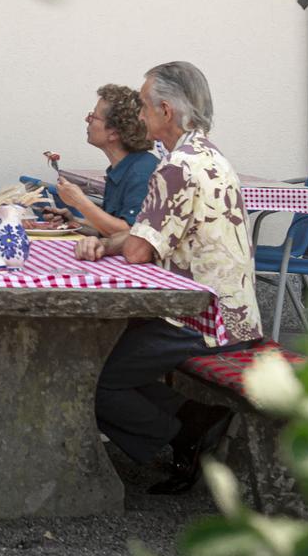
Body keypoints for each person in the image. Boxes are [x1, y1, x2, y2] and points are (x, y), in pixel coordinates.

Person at [74, 61, 262, 494]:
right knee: (118, 358)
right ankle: (195, 418)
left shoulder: (175, 167)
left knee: (93, 376)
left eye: (142, 104)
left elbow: (138, 250)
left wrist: (108, 244)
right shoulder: (211, 156)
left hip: (201, 318)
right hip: (234, 311)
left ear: (164, 110)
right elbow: (144, 237)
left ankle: (184, 434)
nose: (138, 114)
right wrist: (113, 241)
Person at [42, 83, 158, 235]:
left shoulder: (142, 173)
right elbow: (108, 230)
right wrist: (74, 222)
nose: (86, 119)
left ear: (114, 133)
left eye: (93, 117)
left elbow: (130, 234)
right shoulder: (119, 170)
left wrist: (80, 202)